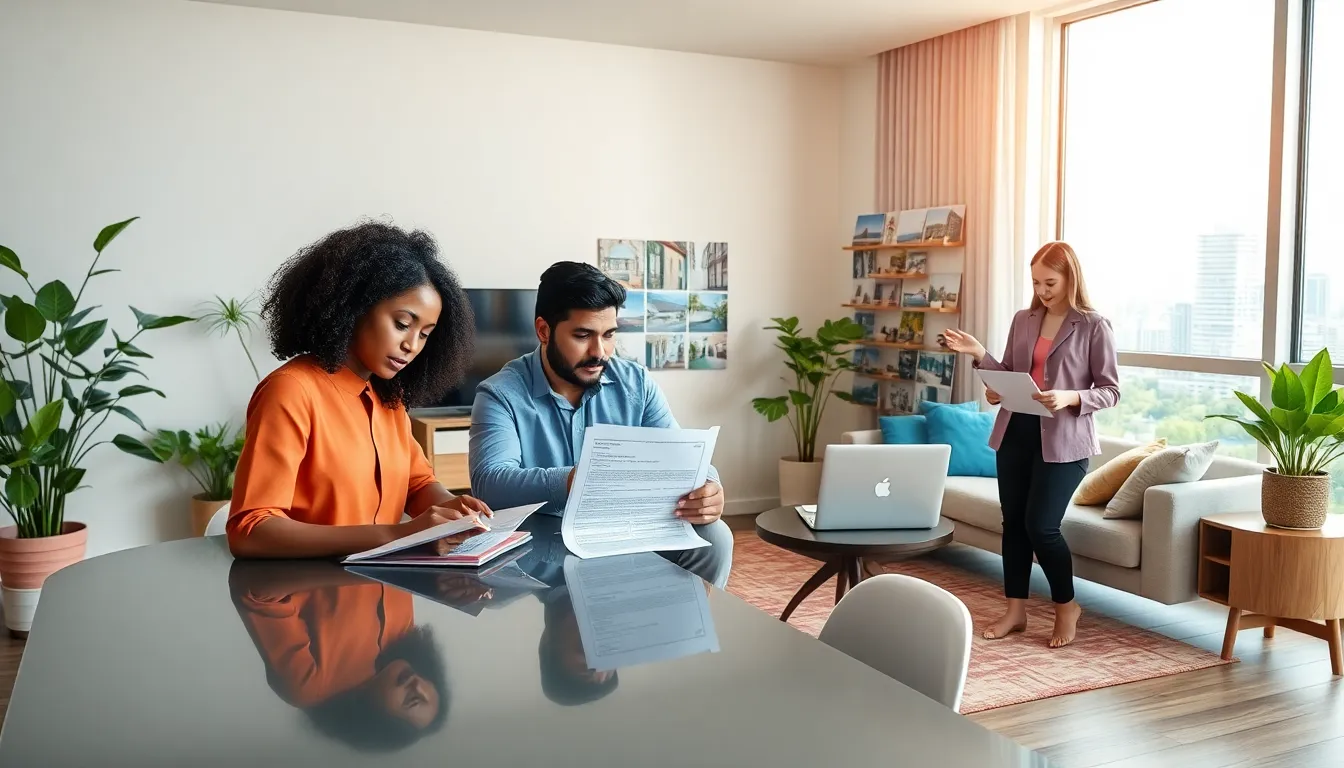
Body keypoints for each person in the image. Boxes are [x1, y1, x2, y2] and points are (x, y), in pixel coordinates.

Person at [228, 221, 492, 559]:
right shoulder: (291, 391)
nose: (412, 345)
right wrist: (399, 534)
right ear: (354, 307)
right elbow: (250, 530)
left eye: (425, 334)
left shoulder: (389, 400)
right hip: (311, 598)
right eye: (402, 324)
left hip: (388, 596)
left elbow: (417, 484)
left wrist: (454, 512)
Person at [467, 261, 733, 588]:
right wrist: (574, 480)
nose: (599, 352)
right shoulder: (500, 393)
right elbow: (489, 484)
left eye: (609, 335)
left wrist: (709, 489)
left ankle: (687, 630)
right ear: (544, 330)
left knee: (714, 536)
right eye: (583, 335)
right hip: (547, 535)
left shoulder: (635, 383)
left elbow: (680, 456)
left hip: (625, 525)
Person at [942, 241, 1119, 649]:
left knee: (1042, 527)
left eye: (1050, 282)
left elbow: (1110, 391)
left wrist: (1071, 397)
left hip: (1064, 441)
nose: (1042, 290)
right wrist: (983, 363)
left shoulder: (1094, 325)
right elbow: (1010, 373)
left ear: (1070, 277)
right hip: (1016, 432)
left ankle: (1066, 606)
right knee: (1014, 526)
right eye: (1036, 282)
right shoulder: (1024, 319)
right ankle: (1016, 611)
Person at [228, 560, 449, 751]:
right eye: (429, 686)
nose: (417, 684)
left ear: (375, 719)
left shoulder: (309, 686)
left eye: (412, 700)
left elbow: (253, 587)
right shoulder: (404, 632)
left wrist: (361, 569)